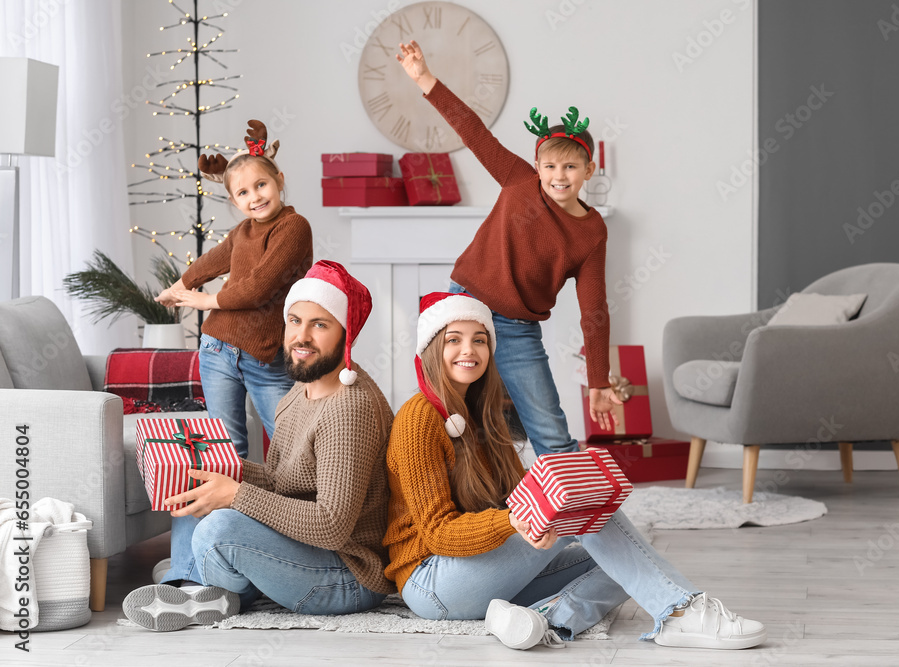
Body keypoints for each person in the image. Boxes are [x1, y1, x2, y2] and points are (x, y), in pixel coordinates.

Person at [384, 292, 766, 651]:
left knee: (623, 559)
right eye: (454, 339)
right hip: (431, 580)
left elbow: (521, 492)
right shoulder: (419, 417)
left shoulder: (485, 415)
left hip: (481, 570)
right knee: (591, 523)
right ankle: (681, 611)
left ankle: (544, 621)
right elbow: (437, 534)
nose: (469, 350)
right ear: (433, 349)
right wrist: (516, 522)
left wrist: (557, 502)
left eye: (480, 340)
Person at [125, 261, 396, 631]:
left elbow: (331, 526)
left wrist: (236, 494)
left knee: (219, 529)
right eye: (296, 321)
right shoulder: (300, 391)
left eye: (320, 325)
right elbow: (281, 482)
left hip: (346, 575)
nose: (302, 337)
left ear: (345, 333)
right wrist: (219, 469)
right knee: (195, 486)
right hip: (304, 550)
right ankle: (200, 586)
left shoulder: (349, 409)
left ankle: (201, 581)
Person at [395, 41, 623, 458]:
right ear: (537, 166)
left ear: (589, 170)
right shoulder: (518, 179)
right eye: (550, 165)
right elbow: (474, 131)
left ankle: (576, 520)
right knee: (450, 418)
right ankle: (454, 511)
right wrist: (424, 79)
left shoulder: (592, 233)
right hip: (466, 306)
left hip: (518, 327)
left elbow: (595, 309)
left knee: (551, 434)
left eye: (571, 167)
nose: (559, 176)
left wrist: (599, 382)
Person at [152, 120, 312, 585]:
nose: (255, 197)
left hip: (265, 359)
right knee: (217, 459)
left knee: (292, 457)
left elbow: (258, 287)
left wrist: (201, 301)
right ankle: (189, 578)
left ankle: (276, 562)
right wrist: (179, 286)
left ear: (278, 181)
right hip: (217, 350)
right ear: (235, 201)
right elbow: (212, 262)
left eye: (261, 185)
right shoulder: (242, 231)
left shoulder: (293, 227)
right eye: (243, 193)